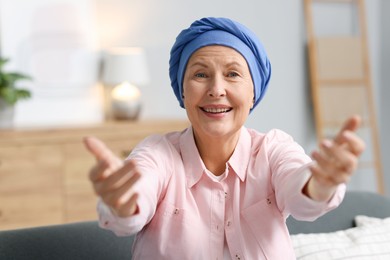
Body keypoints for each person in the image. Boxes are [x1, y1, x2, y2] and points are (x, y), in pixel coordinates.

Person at [84, 17, 365, 259]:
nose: (216, 89)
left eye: (232, 74)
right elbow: (138, 192)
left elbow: (301, 190)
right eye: (200, 74)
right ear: (182, 92)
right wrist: (123, 202)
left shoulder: (274, 149)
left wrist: (321, 182)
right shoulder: (157, 153)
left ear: (253, 92)